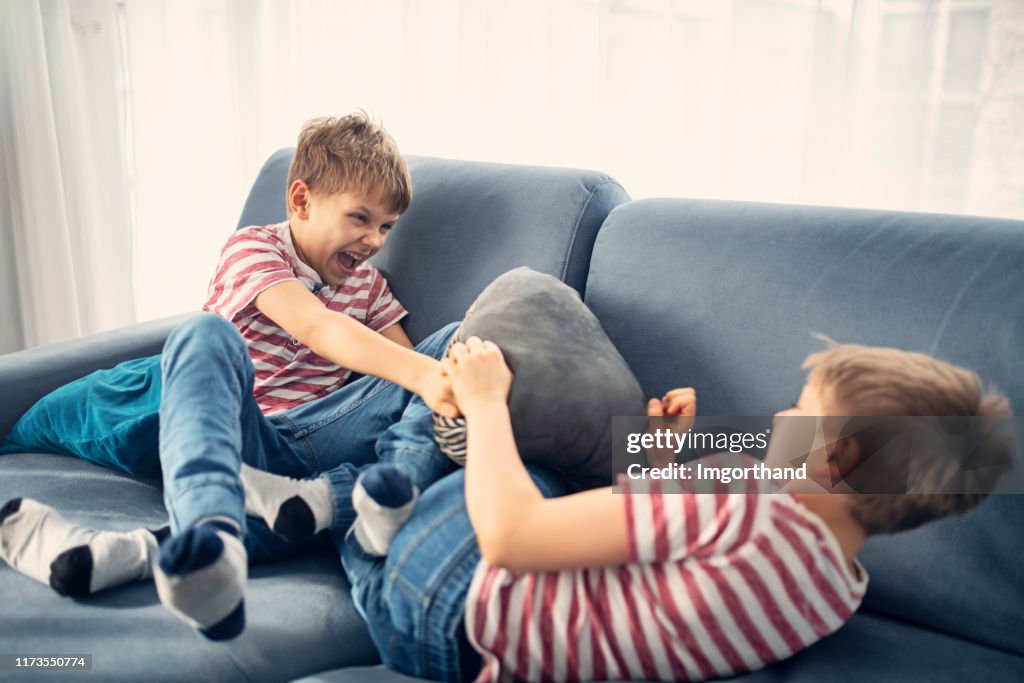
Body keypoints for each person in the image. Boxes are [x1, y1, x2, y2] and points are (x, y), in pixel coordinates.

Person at [0, 112, 460, 640]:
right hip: (234, 434)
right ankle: (211, 531)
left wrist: (438, 376)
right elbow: (317, 326)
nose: (374, 239)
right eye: (359, 218)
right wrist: (426, 376)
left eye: (385, 226)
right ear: (302, 201)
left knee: (453, 342)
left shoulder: (372, 289)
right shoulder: (255, 249)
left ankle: (364, 504)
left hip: (302, 456)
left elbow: (401, 387)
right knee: (204, 334)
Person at [338, 337, 1013, 683]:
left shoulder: (740, 491)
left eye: (804, 410)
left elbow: (513, 536)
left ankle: (359, 527)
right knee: (520, 464)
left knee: (471, 388)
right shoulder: (836, 589)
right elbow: (663, 589)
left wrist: (486, 399)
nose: (782, 415)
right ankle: (379, 512)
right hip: (485, 642)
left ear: (839, 460)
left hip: (449, 601)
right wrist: (657, 462)